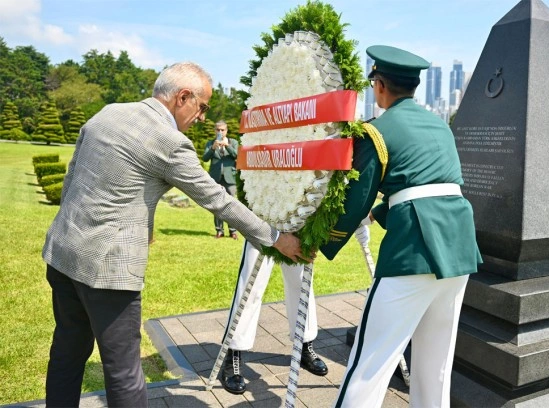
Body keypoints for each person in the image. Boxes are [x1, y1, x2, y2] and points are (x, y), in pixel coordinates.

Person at [41, 61, 308, 408]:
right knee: (123, 372)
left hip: (62, 252)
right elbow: (219, 200)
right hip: (107, 271)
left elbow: (75, 177)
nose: (202, 117)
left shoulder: (108, 113)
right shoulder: (170, 141)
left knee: (67, 350)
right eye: (203, 107)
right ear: (183, 97)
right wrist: (276, 238)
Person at [319, 46, 482, 408]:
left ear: (378, 85)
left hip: (414, 251)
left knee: (371, 361)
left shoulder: (376, 131)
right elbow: (433, 187)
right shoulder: (440, 125)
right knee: (436, 365)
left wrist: (321, 240)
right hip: (458, 249)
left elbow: (354, 198)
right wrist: (380, 214)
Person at [219, 241, 328, 395]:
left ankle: (305, 345)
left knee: (301, 283)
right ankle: (233, 354)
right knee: (251, 286)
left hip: (298, 223)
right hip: (263, 222)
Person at [202, 120, 240, 239]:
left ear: (226, 131)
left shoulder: (233, 142)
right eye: (218, 130)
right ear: (215, 131)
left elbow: (237, 155)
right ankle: (219, 231)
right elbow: (205, 158)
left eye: (222, 130)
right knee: (217, 204)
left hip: (230, 178)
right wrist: (213, 148)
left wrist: (227, 146)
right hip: (215, 178)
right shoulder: (210, 143)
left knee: (231, 205)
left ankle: (233, 231)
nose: (220, 132)